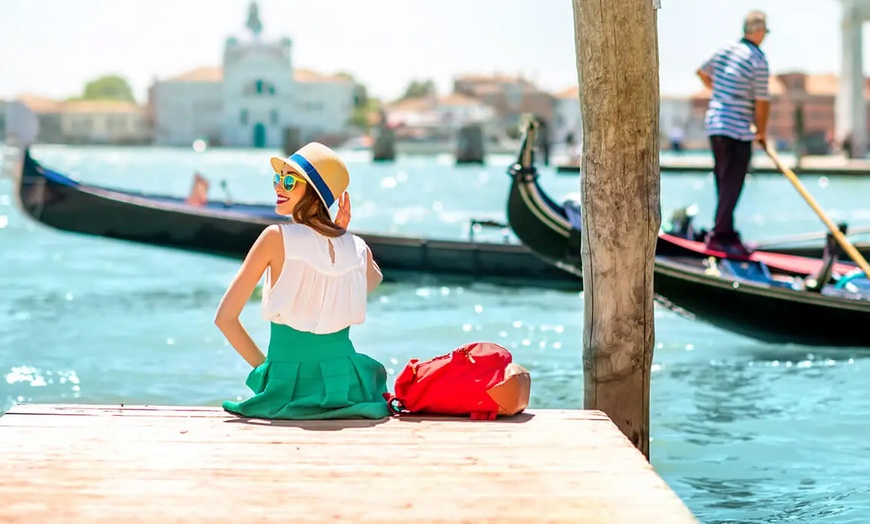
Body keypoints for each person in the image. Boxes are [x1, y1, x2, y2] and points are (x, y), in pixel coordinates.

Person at [216, 142, 390, 420]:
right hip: (347, 386)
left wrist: (267, 375)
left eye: (289, 180)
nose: (278, 187)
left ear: (314, 193)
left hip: (288, 387)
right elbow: (370, 282)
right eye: (277, 178)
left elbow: (225, 318)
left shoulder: (274, 238)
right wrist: (341, 235)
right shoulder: (357, 247)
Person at [696, 10, 771, 257]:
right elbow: (762, 102)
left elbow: (702, 72)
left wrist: (721, 94)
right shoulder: (758, 60)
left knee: (724, 181)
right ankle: (718, 235)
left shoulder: (726, 49)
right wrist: (761, 132)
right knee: (733, 183)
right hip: (737, 129)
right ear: (758, 32)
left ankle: (726, 231)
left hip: (716, 125)